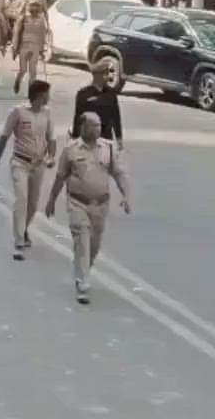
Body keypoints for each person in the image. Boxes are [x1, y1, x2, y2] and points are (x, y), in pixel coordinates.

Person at [45, 112, 131, 305]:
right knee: (82, 239)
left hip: (100, 204)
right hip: (78, 202)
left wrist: (126, 196)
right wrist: (51, 199)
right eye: (94, 125)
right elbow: (60, 176)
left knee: (94, 244)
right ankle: (83, 283)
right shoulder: (70, 150)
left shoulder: (108, 148)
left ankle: (82, 269)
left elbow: (119, 173)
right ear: (83, 127)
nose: (98, 129)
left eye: (99, 126)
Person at [0, 80, 56, 260]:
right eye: (47, 94)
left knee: (33, 204)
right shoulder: (18, 112)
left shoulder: (47, 113)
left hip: (38, 164)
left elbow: (51, 139)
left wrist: (51, 157)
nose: (49, 97)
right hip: (20, 162)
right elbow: (4, 137)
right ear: (40, 95)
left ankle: (24, 228)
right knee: (22, 199)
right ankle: (18, 241)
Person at [71, 61, 123, 143]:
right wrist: (75, 137)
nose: (108, 76)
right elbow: (78, 117)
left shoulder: (111, 93)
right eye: (105, 73)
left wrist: (119, 137)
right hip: (88, 138)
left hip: (106, 138)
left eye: (108, 72)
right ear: (97, 75)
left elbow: (116, 116)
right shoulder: (84, 93)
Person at [12, 0, 49, 95]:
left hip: (35, 47)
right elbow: (17, 34)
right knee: (23, 69)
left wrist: (42, 49)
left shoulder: (41, 20)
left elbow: (42, 35)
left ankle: (31, 91)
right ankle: (18, 81)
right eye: (32, 7)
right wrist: (15, 48)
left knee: (33, 71)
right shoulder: (23, 19)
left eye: (37, 7)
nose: (34, 10)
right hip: (24, 46)